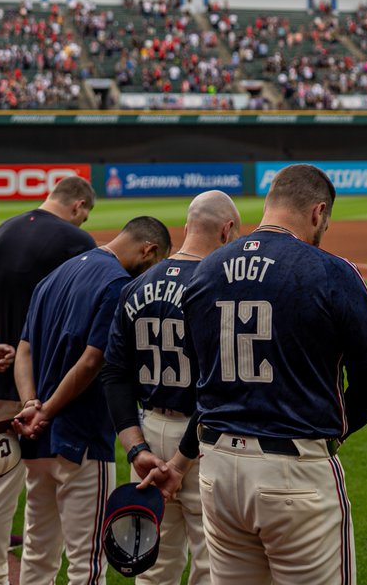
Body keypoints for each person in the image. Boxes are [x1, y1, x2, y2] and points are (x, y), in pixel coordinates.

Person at [142, 163, 367, 585]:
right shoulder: (331, 270)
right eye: (325, 222)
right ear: (317, 213)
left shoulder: (204, 272)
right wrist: (331, 434)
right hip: (294, 471)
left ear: (268, 204)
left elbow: (202, 381)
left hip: (217, 470)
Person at [12, 217, 172, 585]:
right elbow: (92, 360)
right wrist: (47, 412)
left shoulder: (54, 276)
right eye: (156, 260)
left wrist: (30, 405)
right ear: (148, 250)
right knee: (87, 563)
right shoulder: (116, 283)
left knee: (37, 551)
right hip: (80, 438)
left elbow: (24, 349)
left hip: (38, 441)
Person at [0, 174, 97, 582]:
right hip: (51, 393)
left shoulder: (2, 233)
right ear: (77, 206)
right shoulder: (76, 243)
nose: (84, 222)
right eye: (85, 215)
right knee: (53, 498)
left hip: (4, 384)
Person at [102, 191, 241, 585]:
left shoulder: (135, 285)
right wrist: (180, 463)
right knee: (211, 561)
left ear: (186, 228)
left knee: (154, 561)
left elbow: (114, 373)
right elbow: (217, 385)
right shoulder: (217, 288)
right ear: (227, 230)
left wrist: (136, 448)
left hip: (149, 431)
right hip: (200, 440)